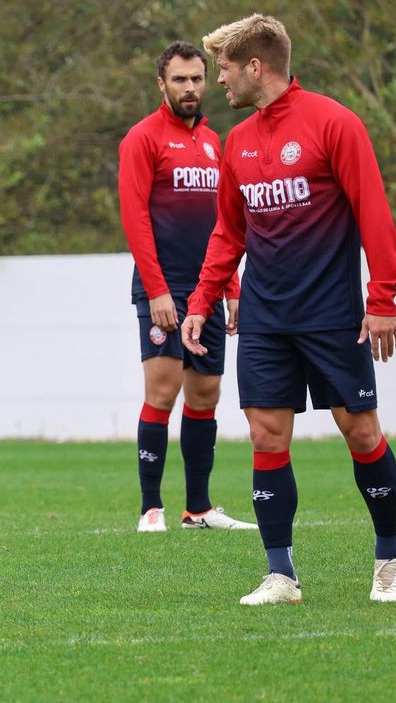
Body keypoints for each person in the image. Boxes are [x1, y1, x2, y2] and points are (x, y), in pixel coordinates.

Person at [181, 14, 396, 605]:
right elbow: (230, 233)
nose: (218, 82)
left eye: (224, 70)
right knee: (265, 433)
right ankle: (281, 575)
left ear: (256, 67)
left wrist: (382, 298)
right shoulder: (237, 142)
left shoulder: (335, 123)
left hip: (333, 313)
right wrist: (203, 300)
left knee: (360, 432)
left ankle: (389, 558)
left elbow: (374, 215)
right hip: (263, 316)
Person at [118, 40, 256, 534]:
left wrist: (231, 287)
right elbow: (134, 218)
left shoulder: (214, 141)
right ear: (162, 84)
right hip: (163, 289)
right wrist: (156, 291)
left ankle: (198, 508)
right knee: (162, 391)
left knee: (206, 395)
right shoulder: (142, 138)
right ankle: (150, 507)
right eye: (180, 79)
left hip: (209, 291)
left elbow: (226, 223)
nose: (191, 87)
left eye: (198, 78)